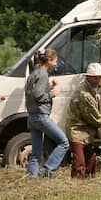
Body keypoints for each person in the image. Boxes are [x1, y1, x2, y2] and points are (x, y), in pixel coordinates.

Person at [24, 48, 70, 177]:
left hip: (32, 117)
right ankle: (46, 171)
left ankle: (31, 177)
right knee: (64, 142)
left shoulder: (34, 73)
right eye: (55, 61)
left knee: (36, 152)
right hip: (41, 116)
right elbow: (38, 95)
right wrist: (52, 94)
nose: (56, 63)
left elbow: (33, 92)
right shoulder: (43, 74)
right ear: (49, 60)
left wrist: (49, 86)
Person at [65, 62, 101, 179]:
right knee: (79, 162)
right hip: (77, 131)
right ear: (88, 77)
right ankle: (77, 184)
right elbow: (93, 117)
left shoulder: (90, 85)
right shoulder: (83, 95)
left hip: (86, 132)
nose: (98, 80)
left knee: (90, 158)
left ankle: (90, 179)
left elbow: (96, 84)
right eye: (96, 78)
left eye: (99, 77)